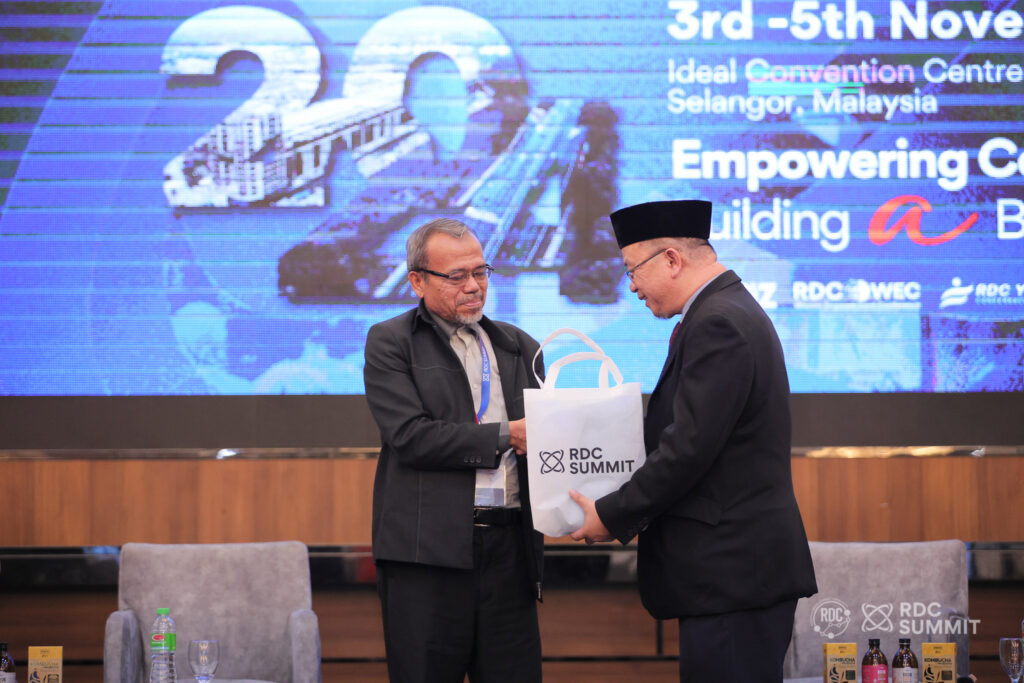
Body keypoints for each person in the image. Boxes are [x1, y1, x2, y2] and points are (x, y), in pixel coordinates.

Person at [569, 199, 818, 682]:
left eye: (632, 270)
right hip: (730, 579)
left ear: (671, 259)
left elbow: (687, 450)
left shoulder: (718, 322)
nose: (632, 286)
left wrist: (611, 514)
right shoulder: (723, 311)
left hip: (731, 576)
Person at [363, 217, 544, 683]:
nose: (474, 286)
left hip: (509, 549)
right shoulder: (391, 342)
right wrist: (506, 436)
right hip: (427, 554)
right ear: (417, 281)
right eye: (457, 276)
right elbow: (411, 436)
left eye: (481, 272)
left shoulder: (519, 345)